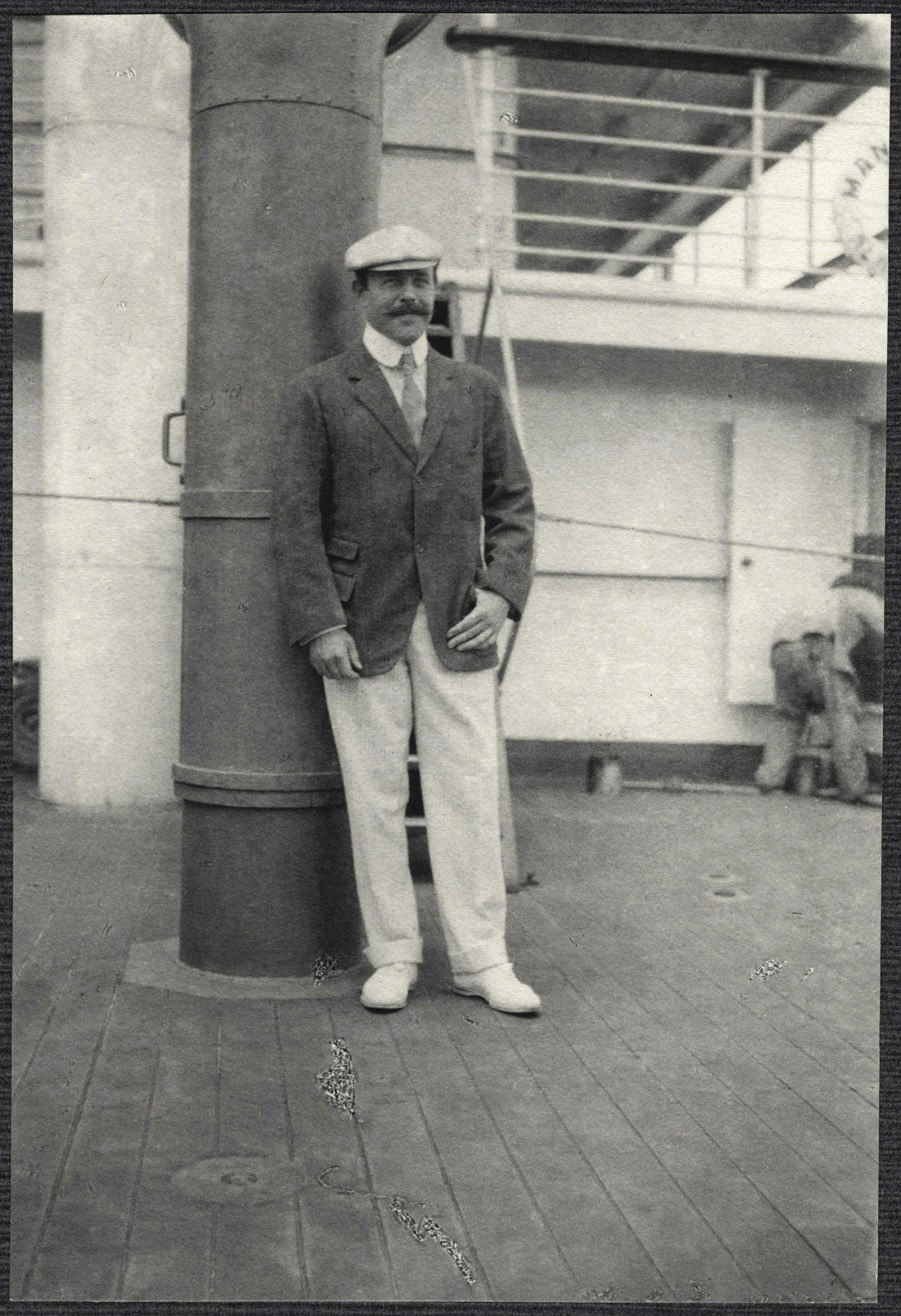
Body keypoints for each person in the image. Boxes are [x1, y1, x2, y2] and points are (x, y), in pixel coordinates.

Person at [271, 224, 540, 1014]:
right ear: (360, 294)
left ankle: (481, 960)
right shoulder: (319, 391)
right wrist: (321, 622)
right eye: (389, 282)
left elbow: (513, 505)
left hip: (460, 621)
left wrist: (499, 595)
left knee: (467, 790)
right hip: (360, 625)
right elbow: (295, 522)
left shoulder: (474, 391)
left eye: (420, 280)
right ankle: (391, 953)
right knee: (376, 791)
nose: (408, 296)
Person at [754, 566, 884, 802]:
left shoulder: (818, 597)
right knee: (843, 715)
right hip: (820, 647)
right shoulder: (860, 595)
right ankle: (853, 788)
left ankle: (769, 779)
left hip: (782, 649)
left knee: (787, 717)